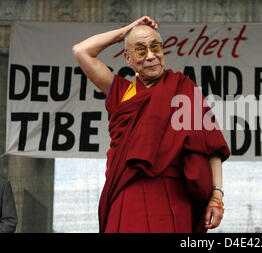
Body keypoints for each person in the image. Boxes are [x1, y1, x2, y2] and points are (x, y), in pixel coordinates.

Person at [72, 16, 230, 233]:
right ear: (127, 57)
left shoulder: (183, 90)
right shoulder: (122, 93)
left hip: (174, 197)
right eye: (140, 50)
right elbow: (82, 51)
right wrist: (127, 31)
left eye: (155, 47)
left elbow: (210, 147)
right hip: (128, 194)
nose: (150, 56)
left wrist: (216, 195)